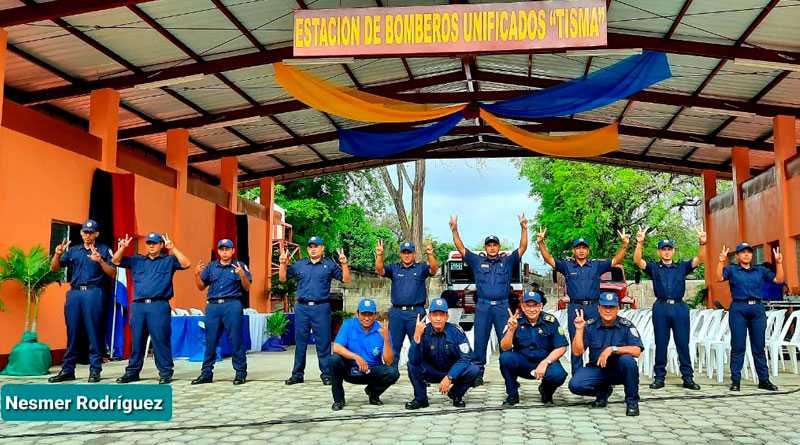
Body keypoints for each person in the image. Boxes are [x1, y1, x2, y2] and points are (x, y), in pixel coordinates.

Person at [449, 214, 528, 385]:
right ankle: (477, 374)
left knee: (507, 342)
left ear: (499, 247)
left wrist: (523, 228)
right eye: (489, 245)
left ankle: (511, 376)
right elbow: (461, 248)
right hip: (483, 306)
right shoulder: (477, 261)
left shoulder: (507, 262)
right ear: (485, 247)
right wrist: (454, 230)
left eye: (495, 245)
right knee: (480, 341)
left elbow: (522, 247)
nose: (492, 248)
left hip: (502, 307)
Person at [537, 228, 629, 374]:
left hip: (593, 307)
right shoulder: (567, 266)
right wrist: (541, 243)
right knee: (576, 341)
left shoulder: (596, 265)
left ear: (588, 250)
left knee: (597, 341)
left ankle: (597, 374)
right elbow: (549, 260)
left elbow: (616, 260)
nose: (581, 250)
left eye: (584, 248)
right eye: (578, 248)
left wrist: (624, 245)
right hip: (575, 307)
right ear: (573, 250)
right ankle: (577, 377)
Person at [112, 232, 191, 384]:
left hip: (159, 305)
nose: (151, 246)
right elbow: (115, 261)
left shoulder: (168, 260)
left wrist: (173, 248)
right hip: (139, 306)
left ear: (161, 245)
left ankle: (165, 372)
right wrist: (122, 248)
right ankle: (132, 372)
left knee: (160, 340)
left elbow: (186, 263)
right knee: (137, 340)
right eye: (149, 243)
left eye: (155, 243)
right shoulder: (137, 260)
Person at [633, 227, 705, 390]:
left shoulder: (682, 267)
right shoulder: (654, 268)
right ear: (659, 252)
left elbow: (699, 259)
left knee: (682, 343)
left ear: (673, 251)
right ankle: (659, 378)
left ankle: (688, 378)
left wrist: (702, 242)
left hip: (679, 307)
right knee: (661, 343)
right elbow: (638, 261)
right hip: (661, 307)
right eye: (663, 249)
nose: (666, 252)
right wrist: (640, 242)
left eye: (669, 249)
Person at [48, 219, 115, 383]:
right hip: (75, 293)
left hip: (93, 292)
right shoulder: (74, 250)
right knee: (72, 332)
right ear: (81, 233)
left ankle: (95, 370)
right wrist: (57, 253)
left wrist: (99, 260)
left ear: (96, 234)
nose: (87, 235)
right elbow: (54, 268)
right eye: (85, 232)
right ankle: (68, 370)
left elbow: (113, 273)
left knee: (93, 331)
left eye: (91, 232)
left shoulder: (104, 249)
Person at [279, 236, 350, 385]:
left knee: (323, 342)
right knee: (300, 342)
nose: (313, 249)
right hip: (302, 308)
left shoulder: (329, 265)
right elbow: (283, 278)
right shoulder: (299, 265)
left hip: (321, 307)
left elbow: (346, 279)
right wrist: (282, 264)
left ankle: (326, 374)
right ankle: (297, 374)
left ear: (322, 248)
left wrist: (344, 264)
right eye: (310, 246)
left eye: (316, 246)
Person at [716, 242, 784, 391]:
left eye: (749, 252)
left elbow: (779, 280)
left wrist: (779, 263)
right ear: (738, 255)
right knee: (738, 346)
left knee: (759, 347)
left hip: (757, 309)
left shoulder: (760, 270)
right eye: (743, 252)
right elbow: (719, 277)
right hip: (739, 308)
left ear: (752, 255)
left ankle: (764, 380)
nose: (746, 254)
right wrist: (721, 261)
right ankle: (735, 381)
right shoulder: (732, 270)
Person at [569, 291, 643, 417]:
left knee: (628, 361)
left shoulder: (626, 326)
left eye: (611, 307)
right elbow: (577, 351)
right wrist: (579, 330)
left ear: (618, 308)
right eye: (605, 307)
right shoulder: (590, 325)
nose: (608, 310)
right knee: (575, 385)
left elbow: (637, 351)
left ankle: (632, 402)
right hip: (598, 369)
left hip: (618, 370)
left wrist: (613, 349)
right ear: (598, 308)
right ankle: (602, 392)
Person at [191, 239, 252, 385]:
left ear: (233, 251)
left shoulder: (240, 265)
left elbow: (247, 287)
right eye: (221, 249)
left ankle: (240, 373)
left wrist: (242, 275)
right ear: (218, 251)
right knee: (210, 340)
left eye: (227, 249)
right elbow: (201, 287)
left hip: (232, 305)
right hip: (213, 306)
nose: (224, 252)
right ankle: (206, 374)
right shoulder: (211, 267)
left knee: (236, 340)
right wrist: (196, 275)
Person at [324, 298, 399, 411]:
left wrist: (386, 339)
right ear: (357, 314)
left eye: (370, 314)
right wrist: (356, 357)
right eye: (364, 314)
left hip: (371, 370)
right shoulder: (348, 325)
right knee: (334, 360)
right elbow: (336, 347)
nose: (367, 318)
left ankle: (373, 393)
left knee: (393, 372)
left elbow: (388, 361)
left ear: (375, 315)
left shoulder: (382, 330)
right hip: (350, 370)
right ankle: (338, 400)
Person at [405, 298, 480, 409]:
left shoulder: (456, 332)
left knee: (474, 369)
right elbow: (414, 360)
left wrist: (450, 377)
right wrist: (417, 337)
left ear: (447, 317)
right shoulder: (423, 331)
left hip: (452, 371)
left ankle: (456, 394)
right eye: (435, 315)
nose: (438, 318)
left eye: (442, 315)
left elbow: (465, 358)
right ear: (429, 317)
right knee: (411, 365)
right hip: (431, 371)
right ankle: (421, 399)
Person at [499, 290, 568, 406]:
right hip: (523, 363)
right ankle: (512, 395)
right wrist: (511, 330)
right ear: (522, 306)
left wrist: (546, 362)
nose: (531, 309)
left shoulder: (550, 321)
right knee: (505, 358)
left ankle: (546, 392)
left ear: (541, 306)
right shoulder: (516, 320)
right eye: (528, 306)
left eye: (535, 305)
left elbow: (561, 347)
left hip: (545, 362)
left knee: (558, 375)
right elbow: (505, 347)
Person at [375, 240, 438, 364]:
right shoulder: (394, 268)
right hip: (397, 313)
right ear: (400, 254)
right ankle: (391, 373)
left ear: (414, 254)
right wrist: (380, 255)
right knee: (394, 345)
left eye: (409, 252)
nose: (407, 255)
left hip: (416, 313)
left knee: (419, 344)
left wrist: (430, 254)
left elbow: (434, 270)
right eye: (404, 252)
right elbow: (379, 270)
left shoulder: (420, 268)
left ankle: (422, 374)